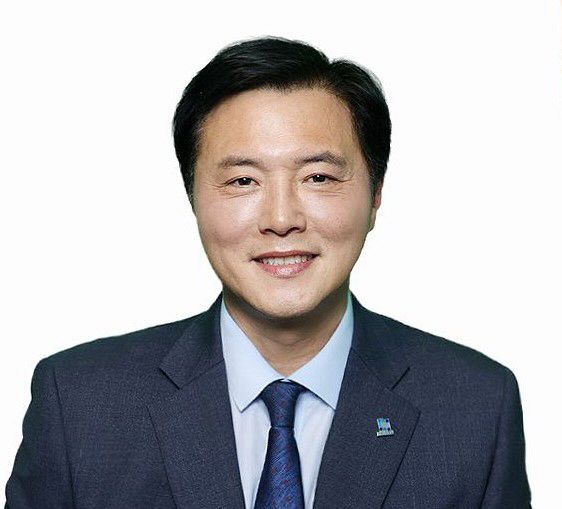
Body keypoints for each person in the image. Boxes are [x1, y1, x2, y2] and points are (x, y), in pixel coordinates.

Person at [5, 36, 531, 509]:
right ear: (193, 197)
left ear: (375, 196)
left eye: (318, 177)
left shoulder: (475, 407)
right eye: (242, 181)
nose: (281, 219)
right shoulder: (80, 404)